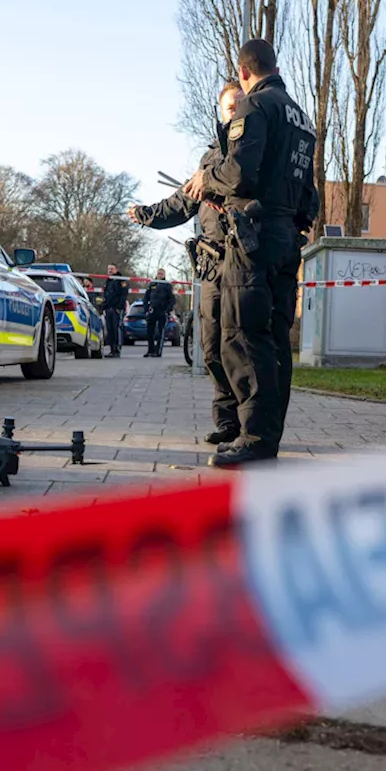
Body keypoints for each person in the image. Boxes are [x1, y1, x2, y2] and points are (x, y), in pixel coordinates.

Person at [183, 39, 318, 468]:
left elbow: (239, 173)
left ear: (243, 73)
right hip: (286, 238)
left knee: (243, 335)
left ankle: (255, 437)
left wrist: (207, 179)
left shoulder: (256, 108)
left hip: (253, 238)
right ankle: (268, 434)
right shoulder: (302, 118)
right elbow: (307, 192)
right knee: (276, 338)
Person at [128, 81, 246, 443]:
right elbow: (182, 202)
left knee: (239, 346)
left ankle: (249, 424)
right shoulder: (210, 157)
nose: (237, 112)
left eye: (241, 105)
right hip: (212, 265)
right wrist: (147, 214)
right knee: (210, 348)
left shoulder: (255, 149)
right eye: (231, 107)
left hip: (244, 263)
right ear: (220, 111)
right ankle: (227, 420)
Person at [141, 268, 175, 358]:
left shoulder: (167, 285)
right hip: (152, 311)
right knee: (149, 332)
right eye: (158, 274)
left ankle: (158, 351)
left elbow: (172, 299)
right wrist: (146, 309)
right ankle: (150, 350)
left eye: (161, 274)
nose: (159, 275)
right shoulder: (152, 284)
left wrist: (167, 310)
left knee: (161, 332)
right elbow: (146, 297)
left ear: (164, 275)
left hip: (162, 311)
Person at [101, 263, 128, 357]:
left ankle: (117, 350)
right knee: (110, 329)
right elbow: (105, 295)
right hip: (109, 309)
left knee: (117, 329)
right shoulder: (108, 280)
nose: (110, 271)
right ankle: (112, 350)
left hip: (117, 309)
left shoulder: (121, 280)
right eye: (109, 269)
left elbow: (123, 295)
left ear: (116, 269)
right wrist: (104, 307)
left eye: (112, 269)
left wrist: (119, 307)